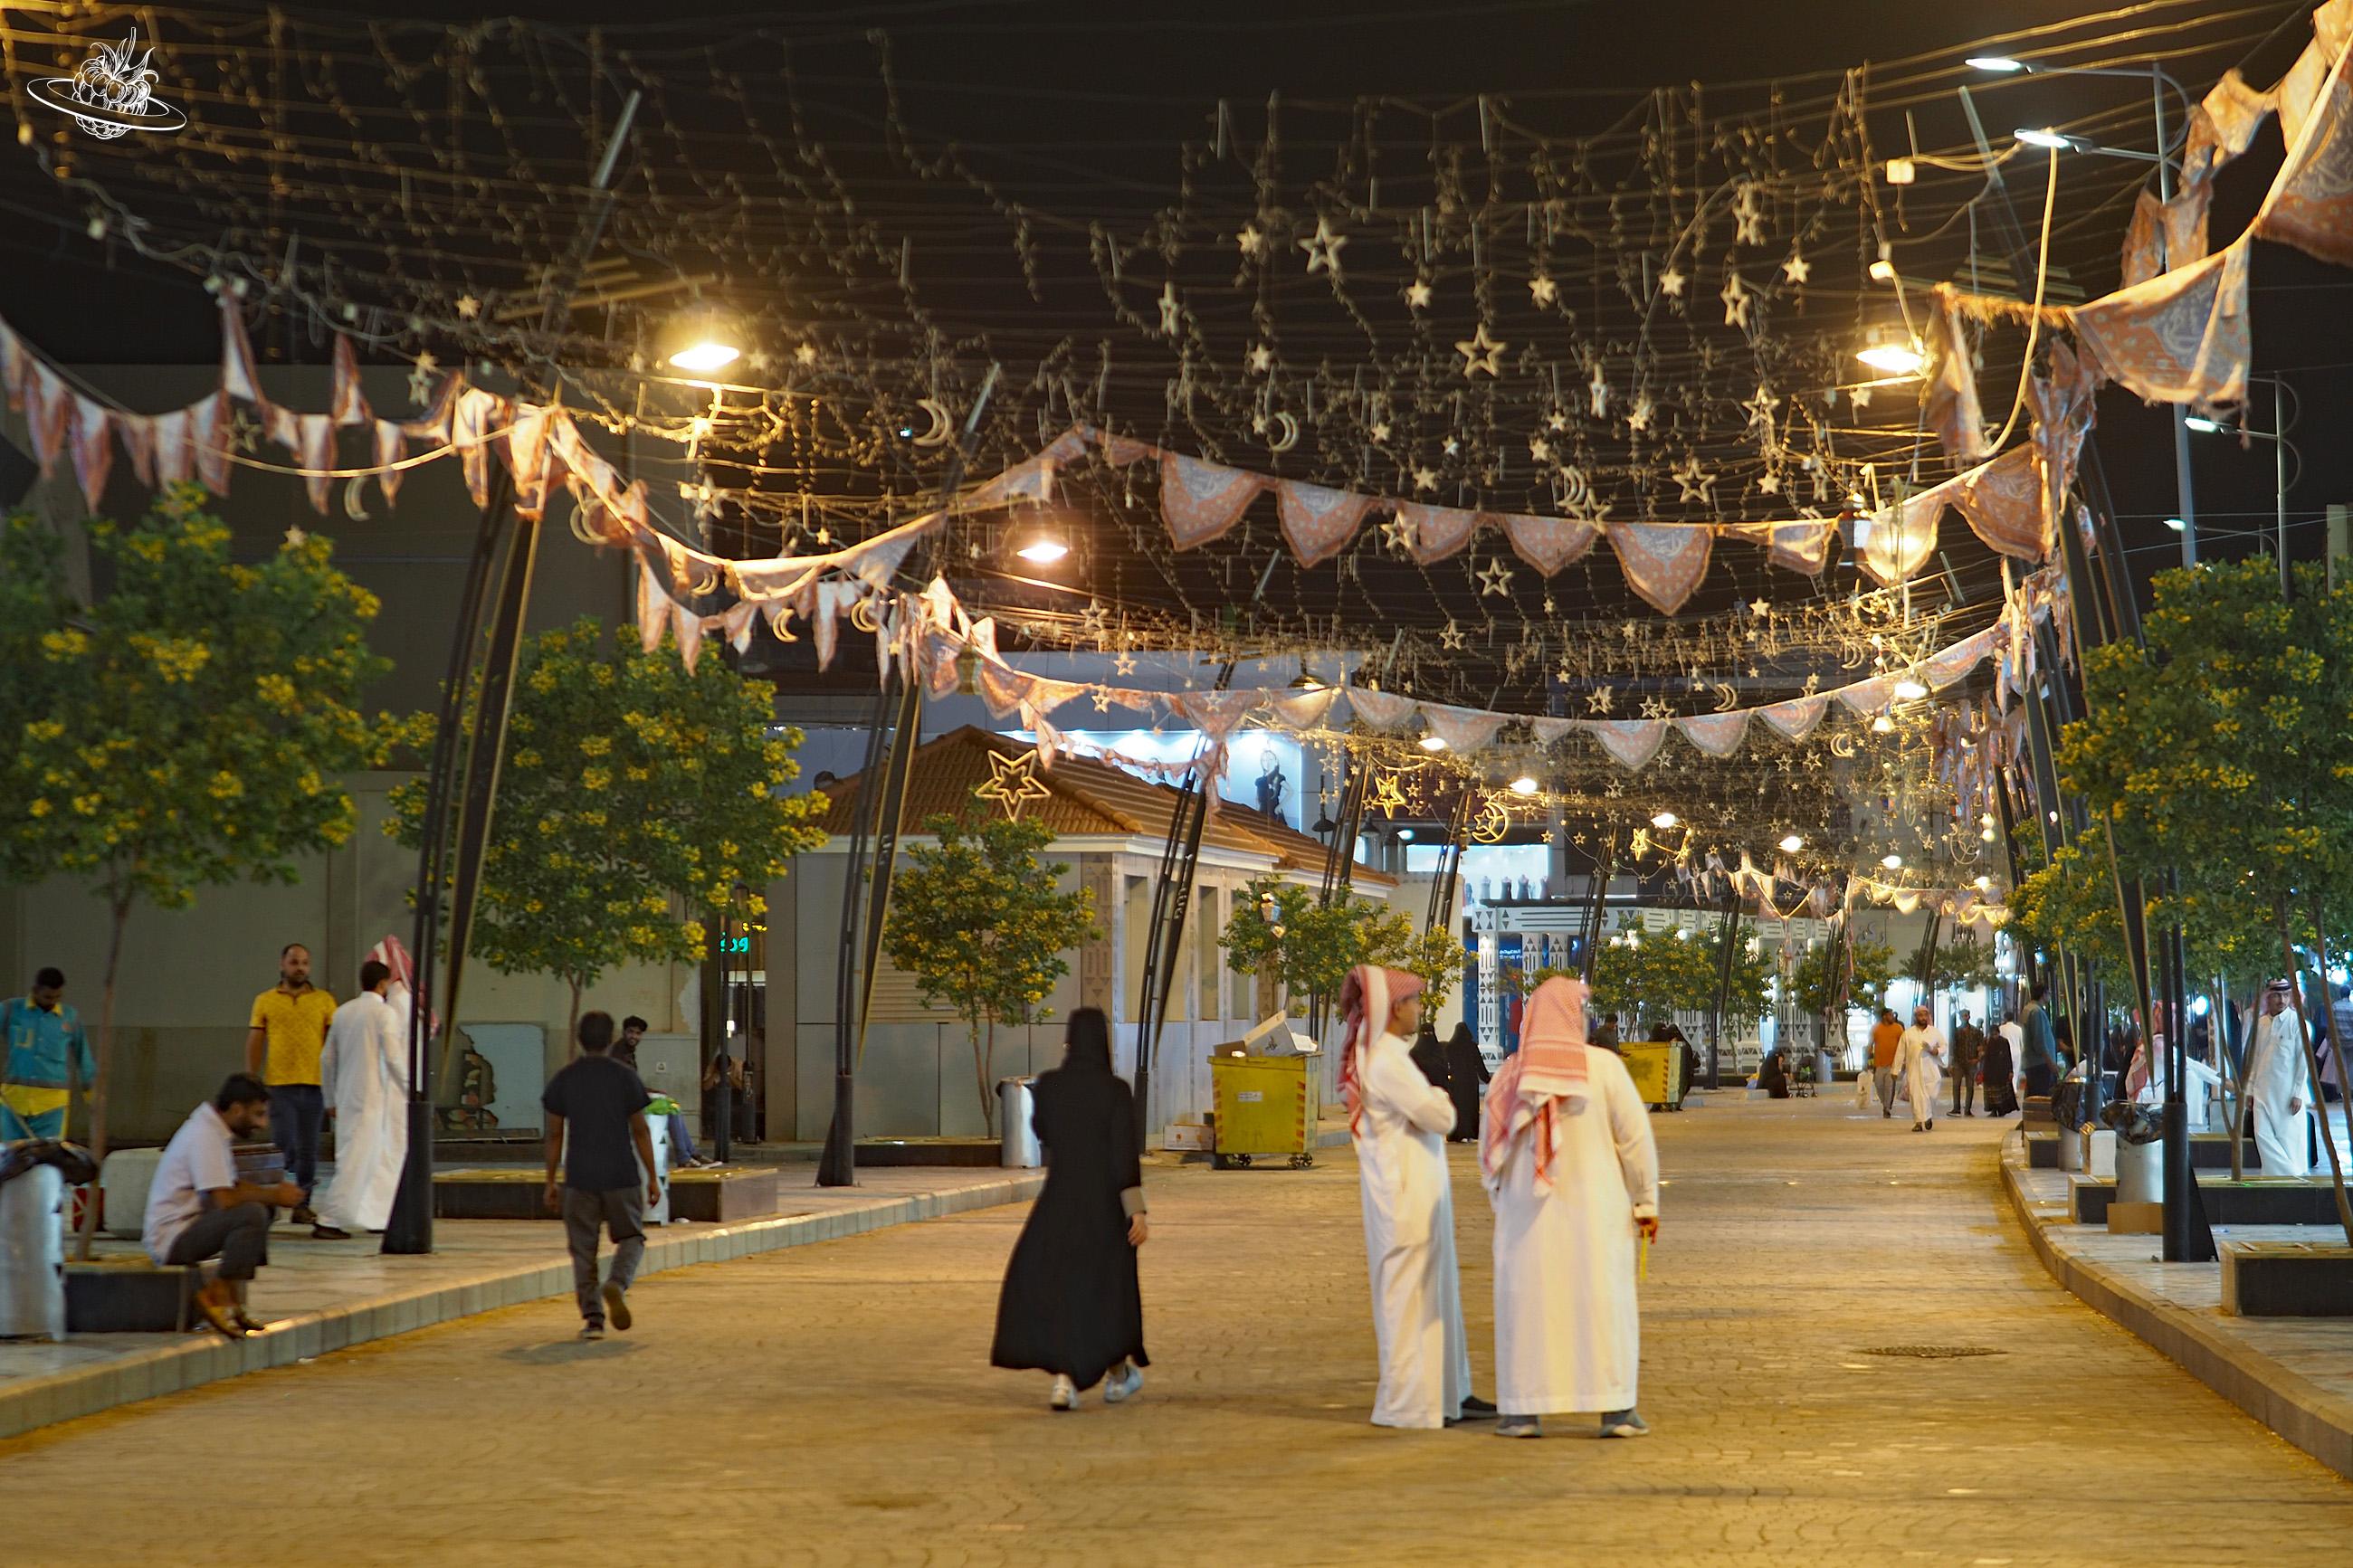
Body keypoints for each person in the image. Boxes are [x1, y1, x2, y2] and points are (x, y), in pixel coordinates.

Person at [1481, 975, 1659, 1440]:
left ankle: (1522, 1411)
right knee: (1602, 1306)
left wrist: (1502, 1203)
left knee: (1530, 1308)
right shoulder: (1602, 1068)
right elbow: (1635, 1141)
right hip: (1596, 1218)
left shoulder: (1510, 1075)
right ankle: (1615, 1411)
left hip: (1525, 1220)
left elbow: (1490, 1156)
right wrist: (1645, 1202)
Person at [1338, 963, 1491, 1430]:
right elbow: (1439, 1116)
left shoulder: (1381, 1053)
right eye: (1415, 1001)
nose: (1420, 1010)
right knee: (1412, 1298)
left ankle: (1449, 1393)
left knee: (1435, 1292)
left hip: (1410, 1190)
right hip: (1406, 1195)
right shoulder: (1385, 1058)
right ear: (1394, 1007)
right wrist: (1443, 1103)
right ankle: (1411, 1401)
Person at [990, 1008, 1150, 1410]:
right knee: (1106, 1292)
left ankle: (1066, 1381)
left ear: (1069, 1042)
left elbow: (1043, 1132)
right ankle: (1116, 1377)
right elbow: (1123, 1154)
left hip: (1059, 1202)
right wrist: (1137, 1210)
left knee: (1062, 1288)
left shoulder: (1049, 1087)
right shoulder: (1114, 1091)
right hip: (1105, 1208)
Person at [144, 1074, 303, 1337]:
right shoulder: (204, 1135)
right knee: (252, 1213)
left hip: (191, 1226)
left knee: (260, 1211)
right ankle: (218, 1294)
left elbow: (229, 1188)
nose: (262, 1124)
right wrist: (274, 1194)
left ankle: (235, 1302)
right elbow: (225, 1198)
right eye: (258, 1114)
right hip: (172, 1238)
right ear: (237, 1109)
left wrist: (271, 1196)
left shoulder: (213, 1130)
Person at [541, 1011, 662, 1342]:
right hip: (621, 1173)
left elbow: (554, 1135)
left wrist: (550, 1181)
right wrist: (653, 1176)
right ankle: (617, 1283)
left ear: (580, 1038)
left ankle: (593, 1320)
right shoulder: (625, 1077)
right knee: (632, 1238)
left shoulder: (564, 1078)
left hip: (579, 1176)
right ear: (611, 1039)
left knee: (583, 1250)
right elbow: (640, 1131)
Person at [310, 961, 409, 1240]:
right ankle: (328, 1220)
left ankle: (371, 1215)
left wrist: (330, 1098)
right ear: (383, 984)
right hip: (371, 1098)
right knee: (356, 1159)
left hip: (346, 1097)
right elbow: (392, 1058)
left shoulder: (343, 1012)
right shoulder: (384, 1014)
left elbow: (326, 1059)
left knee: (363, 1158)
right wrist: (412, 1089)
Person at [245, 943, 337, 1226]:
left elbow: (334, 1045)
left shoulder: (324, 1001)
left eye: (305, 963)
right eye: (295, 962)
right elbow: (256, 1040)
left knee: (309, 1147)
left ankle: (303, 1204)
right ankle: (274, 1197)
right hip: (279, 1084)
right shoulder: (265, 1000)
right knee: (283, 1143)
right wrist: (251, 1078)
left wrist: (336, 1084)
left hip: (314, 1085)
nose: (300, 968)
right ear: (282, 965)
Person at [1, 967, 96, 1141]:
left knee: (49, 1158)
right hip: (13, 1102)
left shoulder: (69, 1017)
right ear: (35, 990)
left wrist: (92, 1095)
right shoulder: (10, 1010)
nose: (52, 1001)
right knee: (12, 1158)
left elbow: (84, 1057)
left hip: (52, 1105)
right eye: (47, 997)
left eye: (57, 997)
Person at [2245, 980, 2313, 1179]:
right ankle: (2287, 1175)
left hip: (2288, 1095)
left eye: (2285, 995)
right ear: (2268, 997)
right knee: (2262, 1135)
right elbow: (2254, 1058)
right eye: (2276, 995)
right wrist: (2249, 1090)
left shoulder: (2298, 1023)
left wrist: (2298, 1093)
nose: (2281, 1000)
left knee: (2289, 1140)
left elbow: (2304, 1061)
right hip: (2261, 1092)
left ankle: (2290, 1177)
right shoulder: (2261, 1024)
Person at [1896, 1004, 1948, 1134]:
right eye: (1920, 1015)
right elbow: (1900, 1052)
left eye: (1925, 1015)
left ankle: (1928, 1116)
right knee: (1916, 1096)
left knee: (1930, 1095)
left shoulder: (1934, 1032)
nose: (1923, 1018)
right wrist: (1895, 1070)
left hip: (1931, 1070)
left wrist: (1936, 1051)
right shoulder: (1908, 1034)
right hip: (1914, 1070)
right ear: (1916, 1017)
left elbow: (1944, 1046)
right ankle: (1918, 1122)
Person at [1443, 1022, 1491, 1145]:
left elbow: (1445, 1065)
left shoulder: (1450, 1047)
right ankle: (1470, 1132)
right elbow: (1479, 1065)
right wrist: (1488, 1079)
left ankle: (1457, 1133)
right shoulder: (1472, 1046)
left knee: (1458, 1108)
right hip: (1470, 1082)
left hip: (1456, 1082)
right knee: (1470, 1108)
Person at [2020, 983, 2061, 1100]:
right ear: (2043, 994)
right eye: (2049, 993)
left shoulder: (2028, 1009)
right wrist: (2051, 1063)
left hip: (2031, 1062)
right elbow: (2039, 1042)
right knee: (2041, 1097)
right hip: (2040, 1064)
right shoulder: (2036, 1012)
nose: (2050, 996)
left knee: (2033, 1096)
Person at [1981, 1013, 2019, 1117]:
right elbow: (1987, 1058)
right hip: (1991, 1073)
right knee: (1992, 1093)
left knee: (2001, 1093)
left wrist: (2010, 1071)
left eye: (1995, 1034)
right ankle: (1994, 1110)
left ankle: (2001, 1110)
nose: (1994, 1036)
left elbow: (2008, 1057)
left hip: (2001, 1071)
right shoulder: (1989, 1043)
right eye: (1992, 1034)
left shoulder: (2004, 1042)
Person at [1870, 1008, 1904, 1119]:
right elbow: (1870, 1044)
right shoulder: (1876, 1028)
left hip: (1893, 1064)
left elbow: (1903, 1044)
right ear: (1884, 1016)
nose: (1892, 1017)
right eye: (1890, 1015)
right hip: (1879, 1063)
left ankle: (1887, 1108)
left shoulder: (1898, 1028)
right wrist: (1868, 1059)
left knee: (1889, 1087)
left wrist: (1903, 1060)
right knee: (1879, 1085)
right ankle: (1885, 1103)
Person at [1948, 1010, 1984, 1118]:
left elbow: (1980, 1047)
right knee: (1956, 1085)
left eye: (1966, 1015)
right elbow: (1952, 1047)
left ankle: (1968, 1109)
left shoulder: (1976, 1032)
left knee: (1970, 1086)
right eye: (1963, 1016)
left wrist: (1977, 1059)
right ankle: (1956, 1108)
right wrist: (1951, 1063)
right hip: (1958, 1062)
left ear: (1969, 1016)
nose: (1965, 1018)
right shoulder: (1956, 1032)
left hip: (1971, 1062)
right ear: (1960, 1018)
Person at [1996, 1010, 2027, 1110]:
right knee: (2015, 1071)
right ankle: (2014, 1089)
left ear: (2005, 1018)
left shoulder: (2001, 1028)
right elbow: (2021, 1042)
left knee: (2006, 1071)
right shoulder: (2018, 1029)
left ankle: (2006, 1090)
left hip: (2005, 1053)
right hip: (2017, 1052)